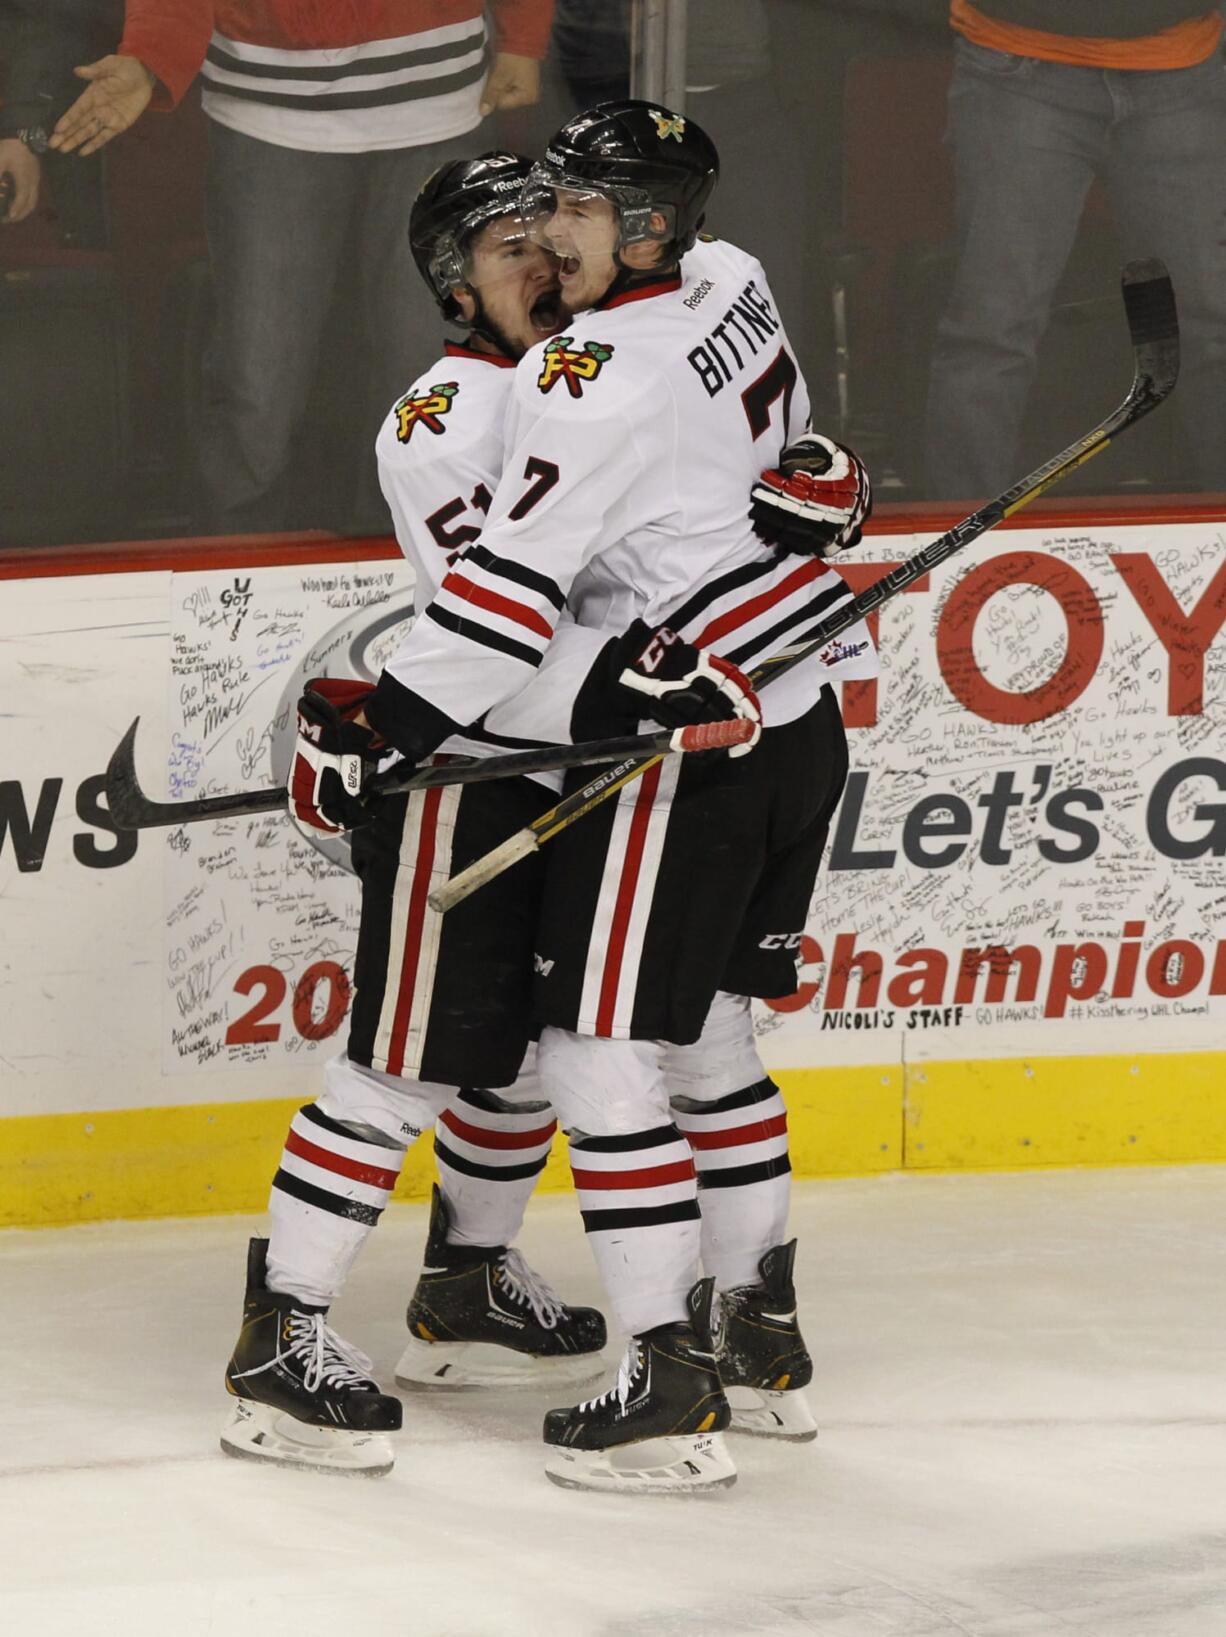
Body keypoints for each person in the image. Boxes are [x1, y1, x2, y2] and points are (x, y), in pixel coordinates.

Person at [342, 100, 877, 1493]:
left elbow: (501, 608)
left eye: (571, 212)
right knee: (709, 1042)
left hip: (692, 748)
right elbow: (794, 464)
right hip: (801, 707)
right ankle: (755, 1335)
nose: (548, 232)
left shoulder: (589, 376)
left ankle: (661, 1383)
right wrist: (824, 493)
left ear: (642, 226)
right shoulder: (732, 271)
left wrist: (382, 732)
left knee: (591, 1054)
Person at [220, 151, 614, 1477]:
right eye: (511, 250)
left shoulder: (604, 379)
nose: (545, 264)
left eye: (551, 235)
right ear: (454, 285)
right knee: (404, 1059)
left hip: (587, 765)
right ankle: (282, 1336)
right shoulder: (441, 417)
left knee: (527, 1053)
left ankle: (465, 1284)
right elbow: (508, 617)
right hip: (469, 771)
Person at [926, 0, 1226, 498]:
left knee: (1211, 328)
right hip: (1018, 59)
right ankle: (958, 552)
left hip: (1182, 62)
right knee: (992, 329)